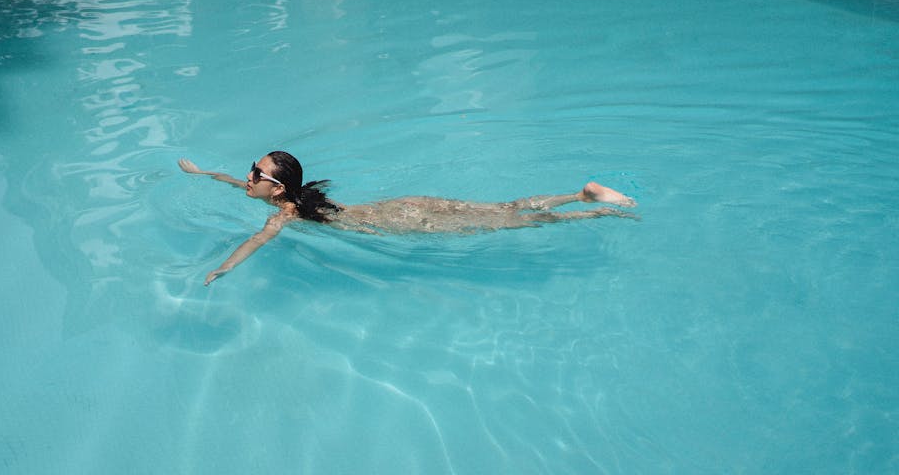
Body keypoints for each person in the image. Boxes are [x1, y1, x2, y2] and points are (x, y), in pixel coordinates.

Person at [179, 151, 638, 285]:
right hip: (404, 204)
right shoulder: (285, 194)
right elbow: (229, 180)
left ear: (276, 188)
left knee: (503, 221)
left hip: (403, 222)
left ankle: (592, 211)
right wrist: (202, 173)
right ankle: (579, 194)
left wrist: (224, 266)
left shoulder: (286, 210)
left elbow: (260, 240)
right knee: (502, 210)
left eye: (254, 173)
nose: (247, 177)